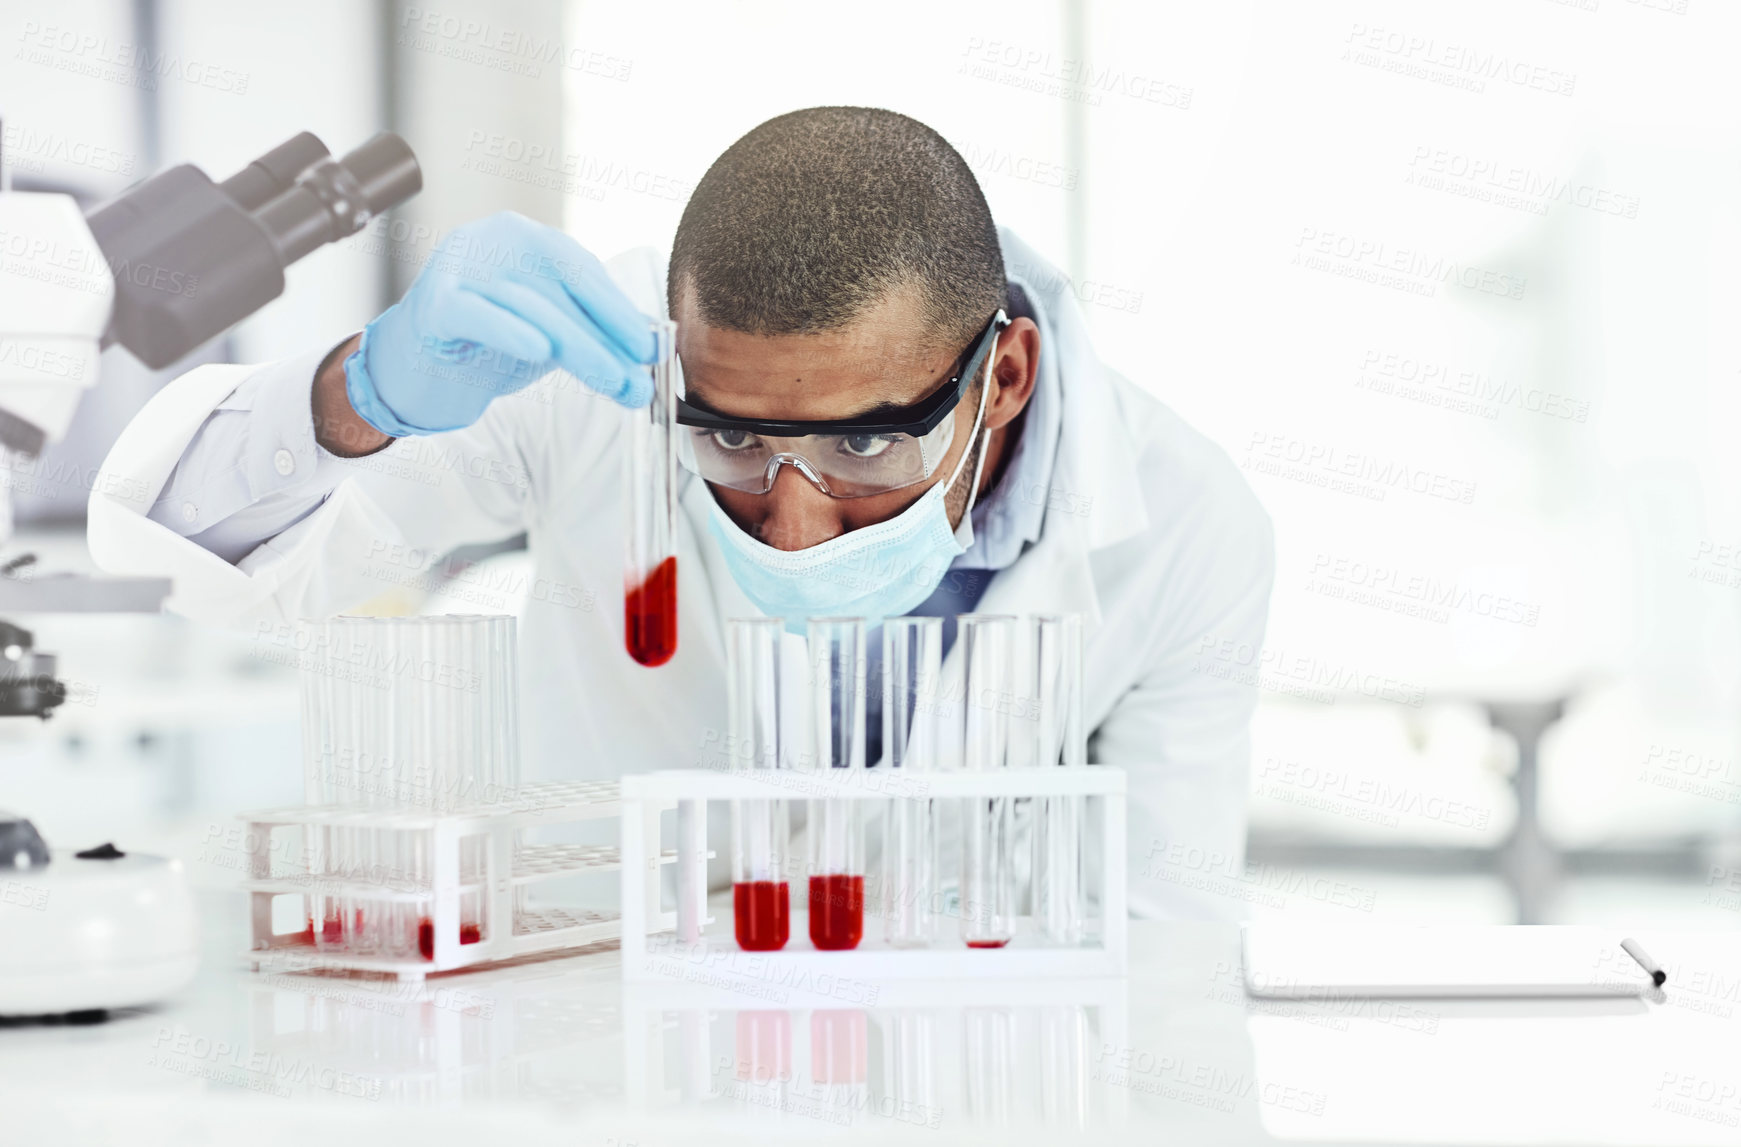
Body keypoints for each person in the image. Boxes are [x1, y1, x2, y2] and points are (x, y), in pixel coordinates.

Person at [89, 107, 1274, 919]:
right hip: (600, 1069)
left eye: (865, 444)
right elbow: (222, 572)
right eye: (734, 440)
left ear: (1002, 377)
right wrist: (360, 395)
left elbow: (1160, 945)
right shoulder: (585, 377)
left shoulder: (1187, 526)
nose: (794, 528)